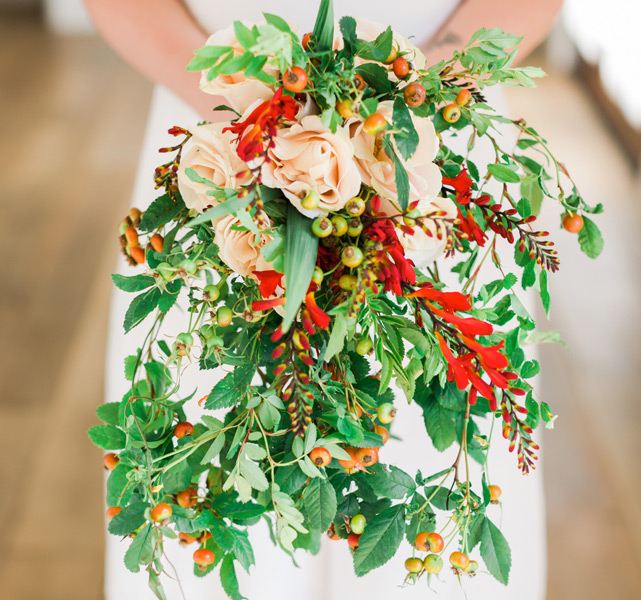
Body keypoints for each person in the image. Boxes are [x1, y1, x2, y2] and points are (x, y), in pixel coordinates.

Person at [85, 1, 563, 598]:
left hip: (426, 142)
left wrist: (413, 92)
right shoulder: (230, 126)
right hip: (220, 133)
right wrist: (252, 119)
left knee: (428, 454)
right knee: (229, 449)